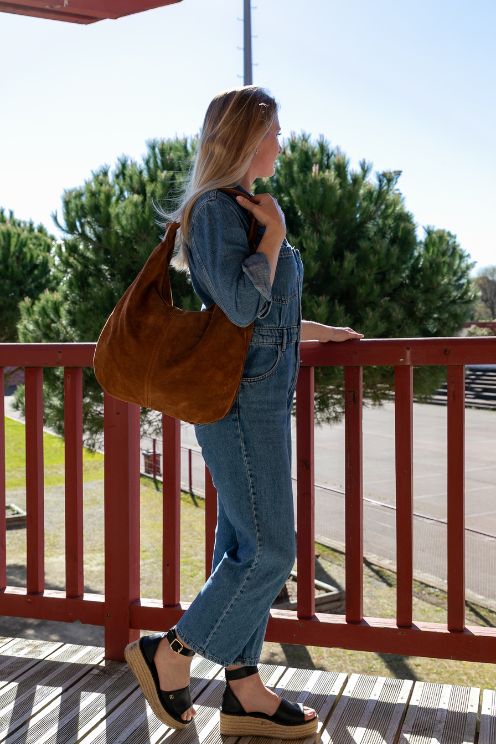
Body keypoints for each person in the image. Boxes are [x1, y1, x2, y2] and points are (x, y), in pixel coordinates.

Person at [125, 85, 363, 739]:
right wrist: (276, 236)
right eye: (274, 131)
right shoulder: (214, 210)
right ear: (246, 137)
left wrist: (325, 333)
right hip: (238, 402)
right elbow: (237, 305)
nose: (282, 143)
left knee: (241, 546)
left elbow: (263, 320)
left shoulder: (241, 209)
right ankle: (168, 653)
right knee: (273, 551)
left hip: (259, 395)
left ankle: (245, 690)